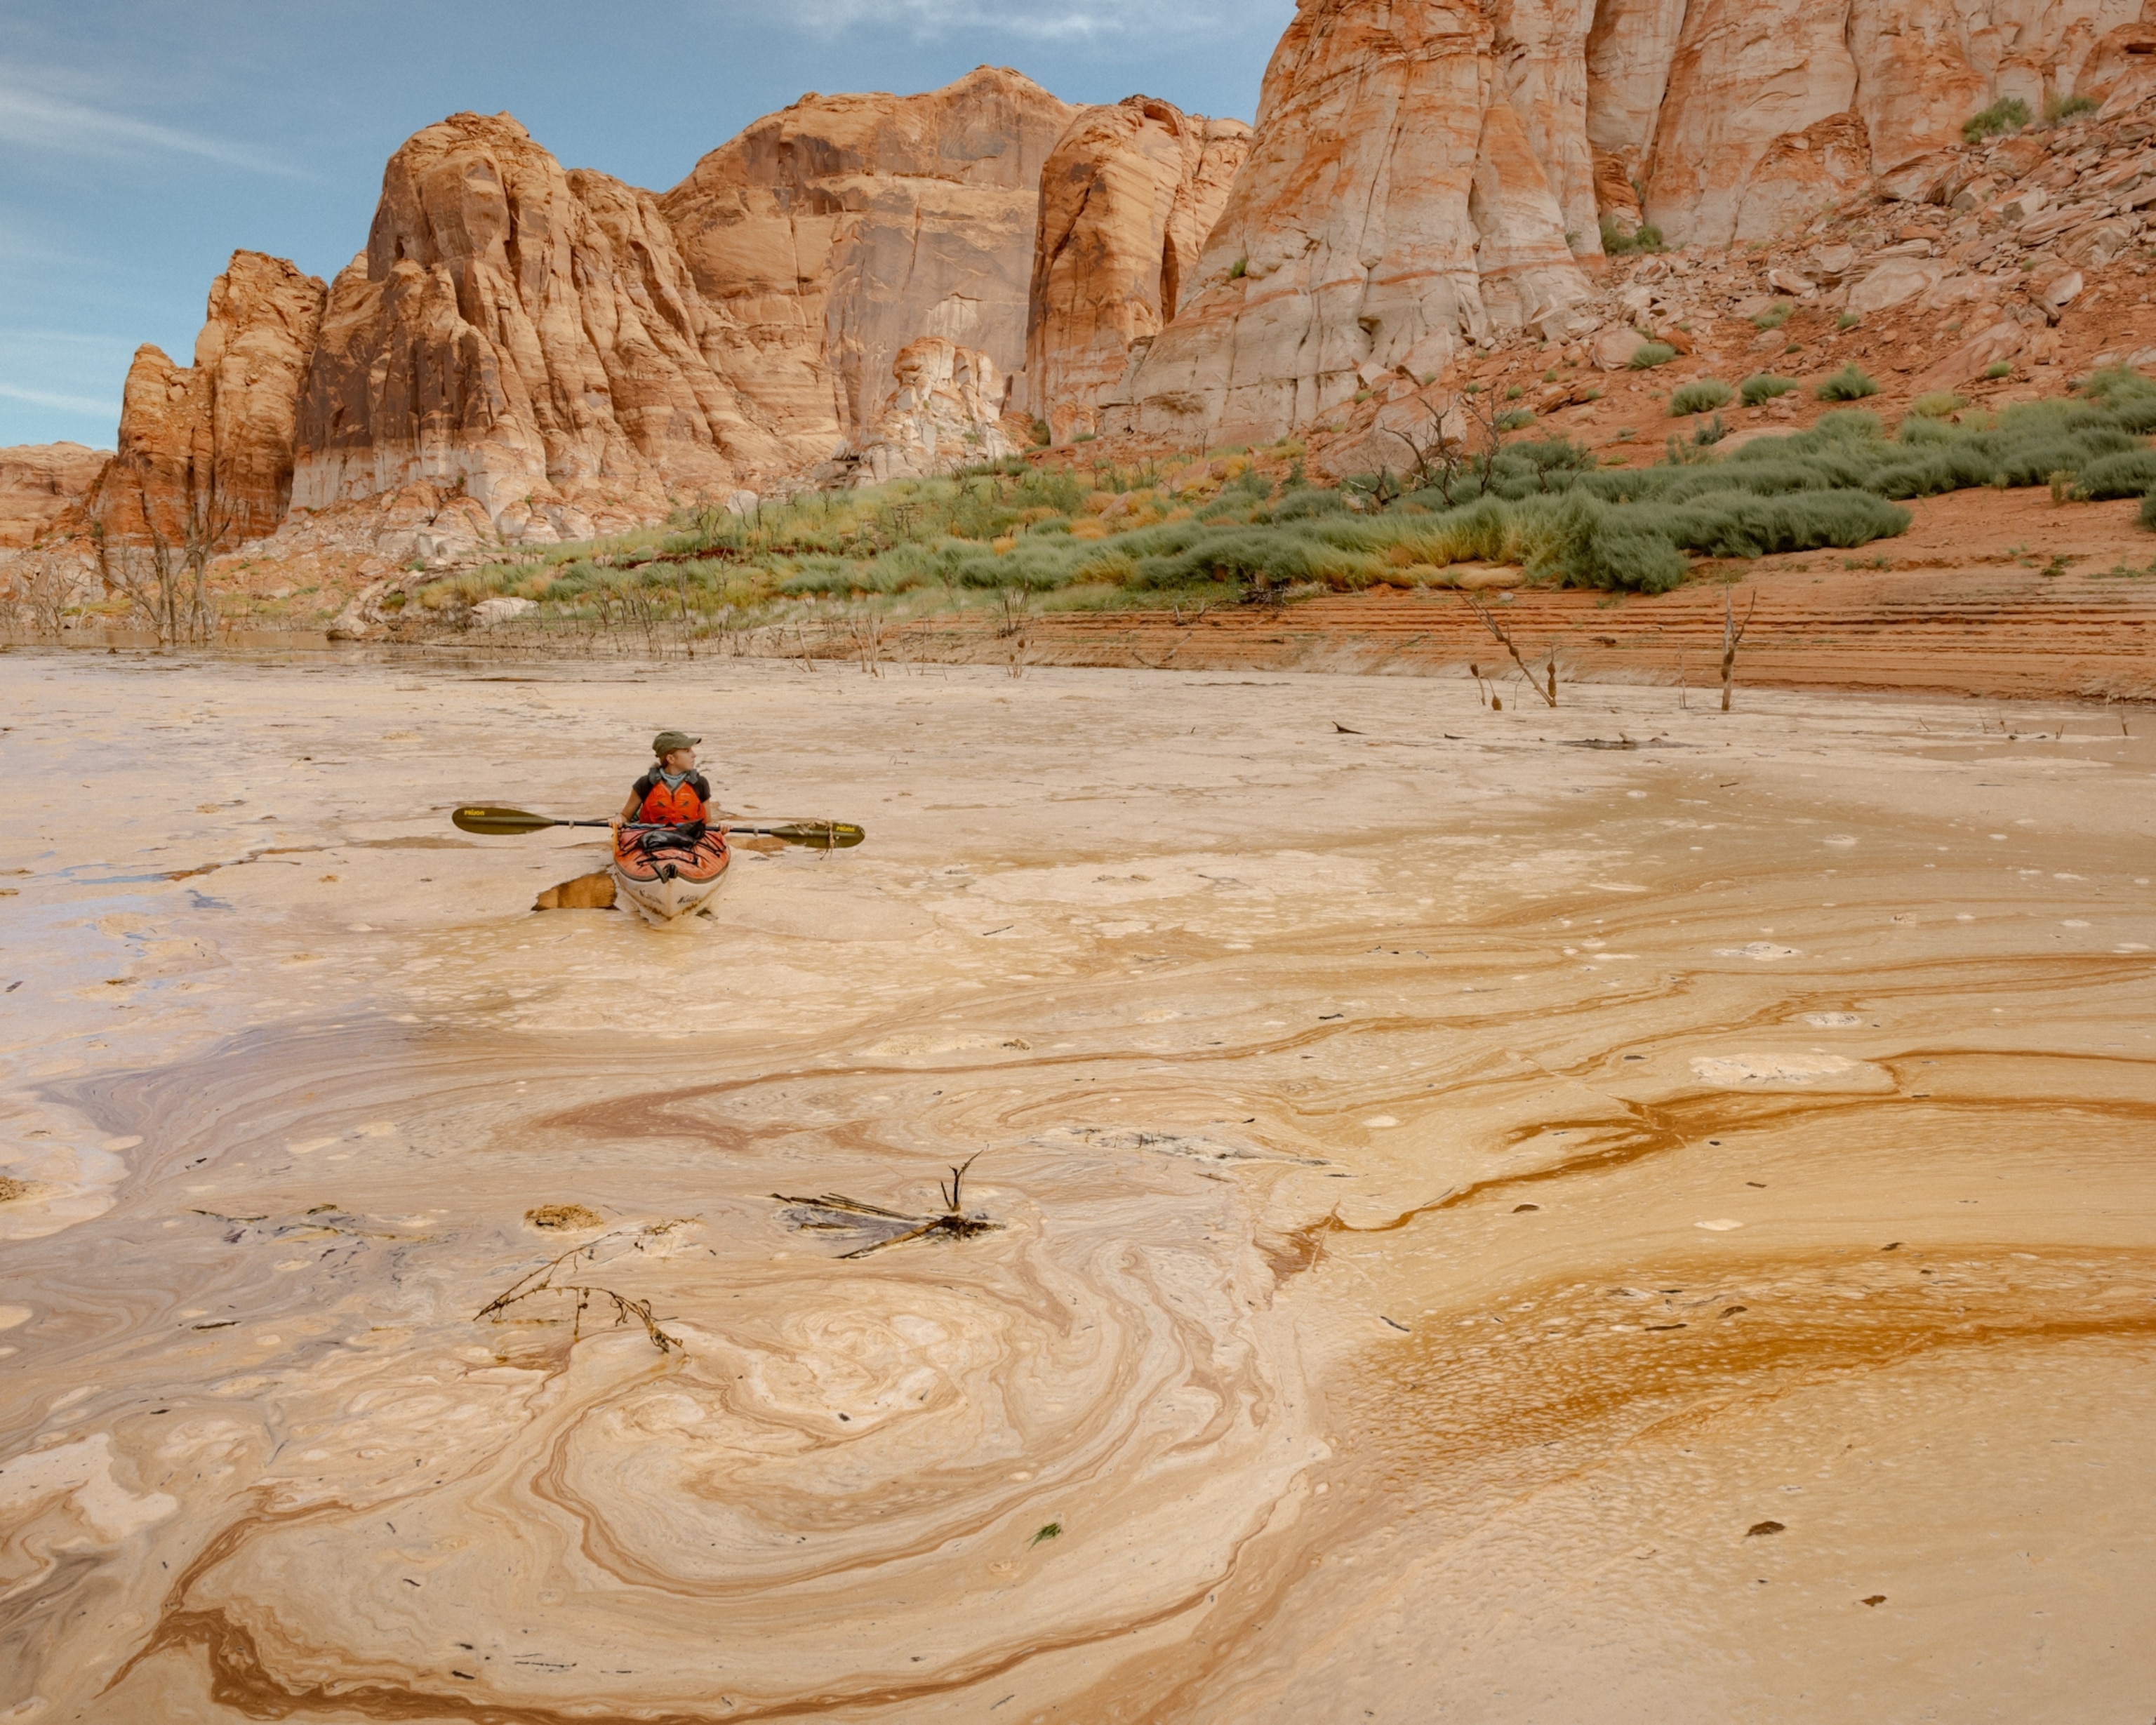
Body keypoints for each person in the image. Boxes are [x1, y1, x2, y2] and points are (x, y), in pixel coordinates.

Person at [615, 731, 715, 837]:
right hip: (652, 838)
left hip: (690, 837)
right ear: (671, 759)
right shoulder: (645, 784)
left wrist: (720, 828)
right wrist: (618, 820)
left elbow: (708, 823)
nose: (694, 755)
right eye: (687, 751)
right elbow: (625, 816)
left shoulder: (700, 783)